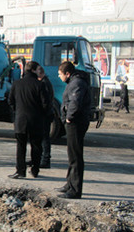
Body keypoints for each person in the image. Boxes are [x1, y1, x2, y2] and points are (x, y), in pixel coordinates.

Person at [8, 61, 49, 179]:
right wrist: (42, 114)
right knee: (36, 146)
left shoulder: (17, 84)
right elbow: (45, 104)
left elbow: (10, 101)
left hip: (21, 120)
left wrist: (18, 111)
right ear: (33, 70)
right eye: (37, 69)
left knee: (20, 147)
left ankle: (20, 171)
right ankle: (35, 170)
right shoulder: (40, 85)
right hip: (36, 121)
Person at [56, 61, 91, 199]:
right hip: (74, 122)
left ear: (67, 73)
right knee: (71, 155)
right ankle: (69, 184)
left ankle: (75, 190)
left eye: (60, 74)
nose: (59, 77)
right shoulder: (74, 82)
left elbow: (75, 102)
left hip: (75, 123)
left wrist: (69, 117)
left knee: (75, 157)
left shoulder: (76, 84)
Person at [36, 65, 54, 168]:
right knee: (42, 137)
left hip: (44, 115)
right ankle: (41, 158)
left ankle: (45, 160)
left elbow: (45, 102)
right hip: (46, 114)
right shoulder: (45, 82)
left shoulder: (44, 84)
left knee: (44, 138)